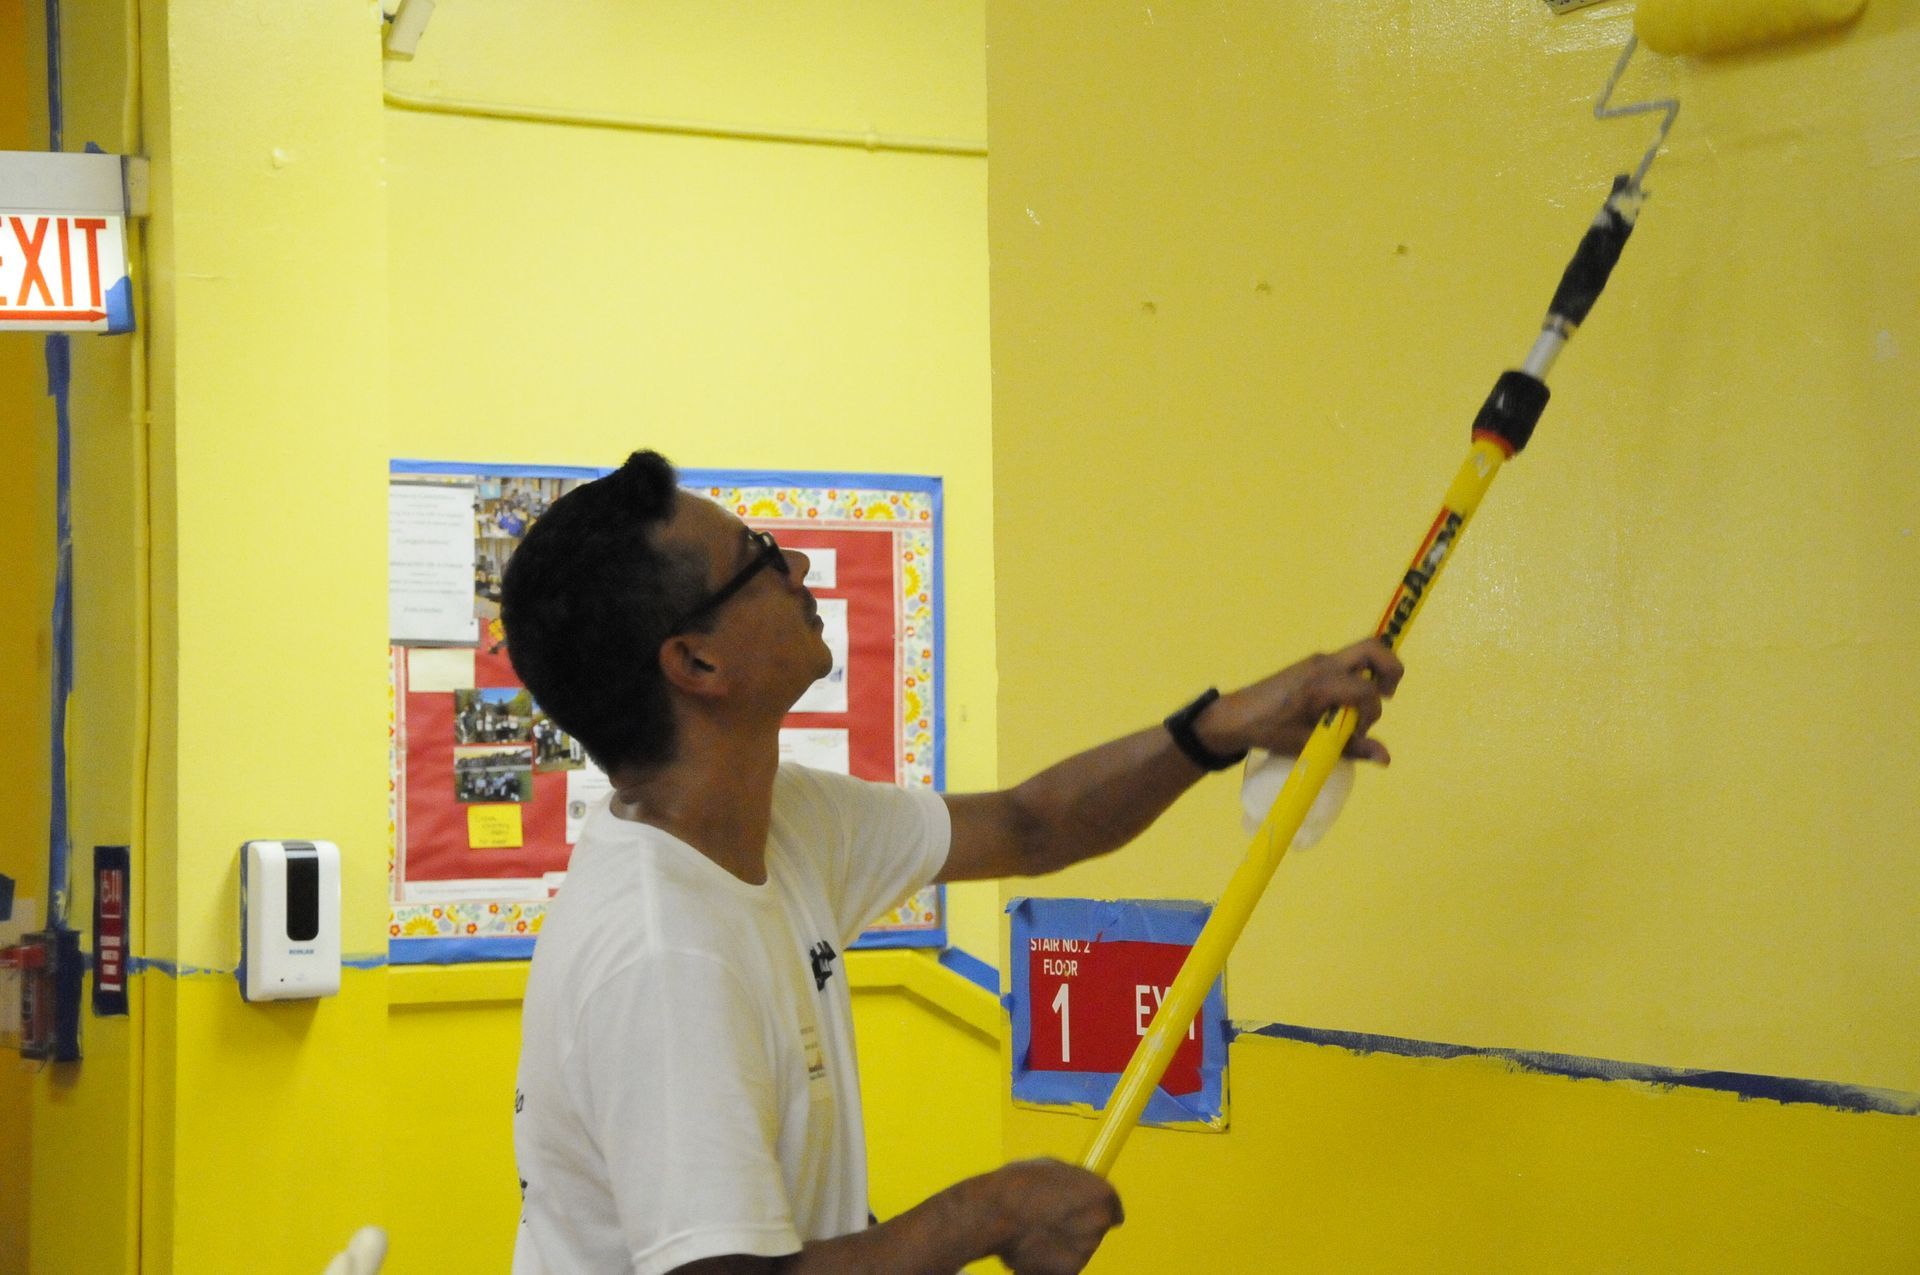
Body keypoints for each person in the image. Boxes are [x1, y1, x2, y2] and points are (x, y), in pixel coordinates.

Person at [501, 451, 1402, 1275]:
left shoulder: (785, 820)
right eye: (761, 555)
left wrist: (1219, 728)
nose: (800, 569)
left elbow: (1031, 825)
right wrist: (992, 1208)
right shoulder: (665, 956)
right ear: (697, 660)